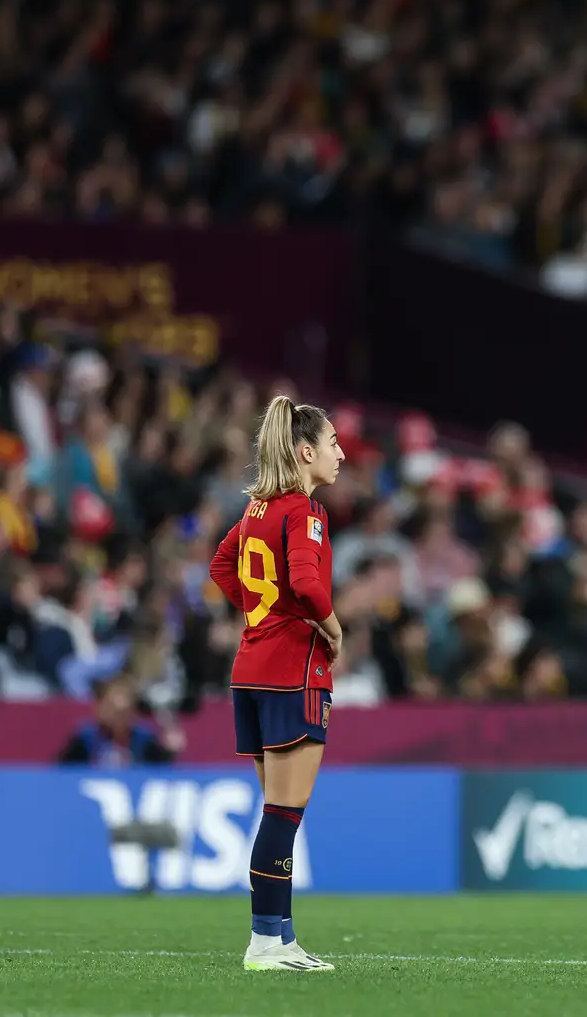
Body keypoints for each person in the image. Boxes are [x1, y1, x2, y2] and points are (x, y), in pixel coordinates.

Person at [209, 396, 345, 973]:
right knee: (284, 814)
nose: (341, 453)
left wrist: (261, 615)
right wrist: (331, 630)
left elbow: (220, 567)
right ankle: (266, 943)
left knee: (276, 811)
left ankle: (281, 940)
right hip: (294, 672)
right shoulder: (302, 511)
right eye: (333, 443)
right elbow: (309, 587)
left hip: (251, 670)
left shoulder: (255, 511)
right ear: (306, 451)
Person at [57, 674, 179, 767]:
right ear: (100, 708)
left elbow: (162, 776)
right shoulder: (84, 739)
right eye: (113, 710)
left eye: (124, 712)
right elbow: (59, 775)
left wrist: (169, 754)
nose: (119, 719)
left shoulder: (146, 740)